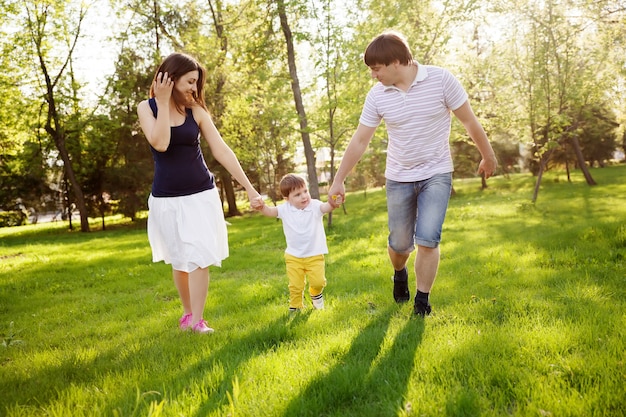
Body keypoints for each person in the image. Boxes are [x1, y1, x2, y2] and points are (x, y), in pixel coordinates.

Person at [327, 31, 497, 317]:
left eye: (376, 69)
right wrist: (338, 179)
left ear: (395, 62)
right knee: (399, 245)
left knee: (428, 238)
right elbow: (360, 140)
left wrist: (488, 155)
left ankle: (422, 301)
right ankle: (399, 272)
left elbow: (469, 120)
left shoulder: (441, 80)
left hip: (436, 173)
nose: (373, 76)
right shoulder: (377, 95)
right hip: (398, 176)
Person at [137, 52, 261, 333]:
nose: (194, 88)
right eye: (190, 81)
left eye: (196, 82)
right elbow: (160, 143)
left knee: (199, 255)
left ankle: (197, 321)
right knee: (180, 260)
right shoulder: (147, 108)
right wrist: (165, 101)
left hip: (200, 196)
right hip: (166, 199)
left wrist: (250, 189)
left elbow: (221, 151)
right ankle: (188, 313)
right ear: (170, 77)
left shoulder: (196, 111)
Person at [255, 174, 342, 312]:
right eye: (297, 194)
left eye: (305, 191)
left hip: (314, 254)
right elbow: (270, 211)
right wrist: (261, 207)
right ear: (287, 199)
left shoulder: (314, 206)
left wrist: (333, 203)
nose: (304, 196)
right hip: (294, 256)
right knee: (295, 285)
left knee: (318, 282)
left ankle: (315, 293)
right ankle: (296, 306)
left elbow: (326, 207)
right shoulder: (285, 209)